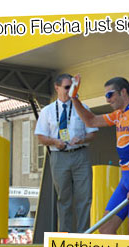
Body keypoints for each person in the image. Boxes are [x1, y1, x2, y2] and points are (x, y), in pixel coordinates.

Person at [71, 75, 129, 235]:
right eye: (106, 96)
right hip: (125, 178)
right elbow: (91, 121)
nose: (108, 100)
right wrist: (74, 98)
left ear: (123, 92)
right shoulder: (118, 115)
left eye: (110, 95)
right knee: (105, 229)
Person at [34, 73, 97, 233]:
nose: (70, 91)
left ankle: (84, 235)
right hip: (58, 156)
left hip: (80, 155)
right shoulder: (47, 111)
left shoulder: (82, 108)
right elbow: (40, 137)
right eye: (67, 87)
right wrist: (55, 142)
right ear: (57, 88)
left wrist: (82, 139)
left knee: (85, 197)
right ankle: (64, 235)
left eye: (72, 87)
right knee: (64, 199)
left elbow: (93, 133)